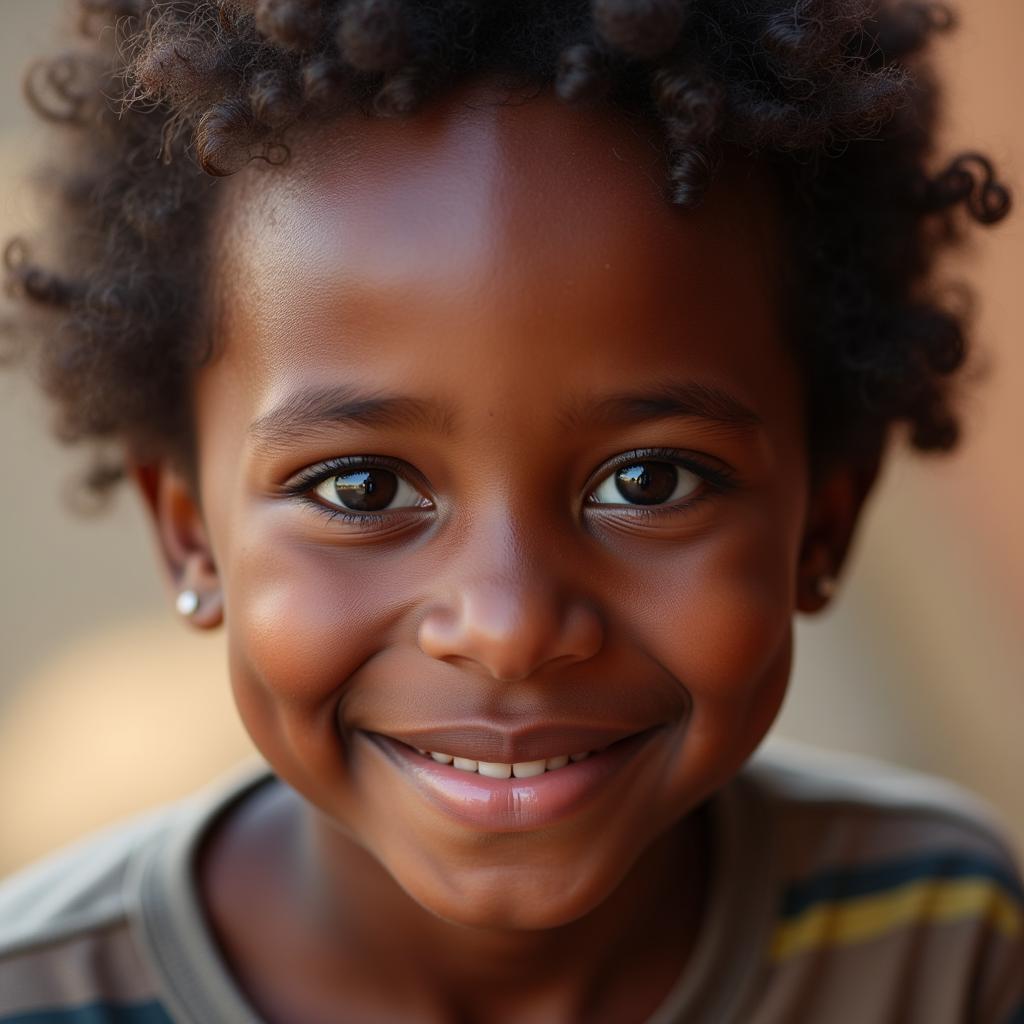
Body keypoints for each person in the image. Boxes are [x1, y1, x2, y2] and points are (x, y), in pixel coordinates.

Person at [1, 0, 1021, 1021]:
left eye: (649, 482)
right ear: (189, 533)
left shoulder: (939, 941)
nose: (509, 627)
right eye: (362, 488)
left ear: (823, 521)